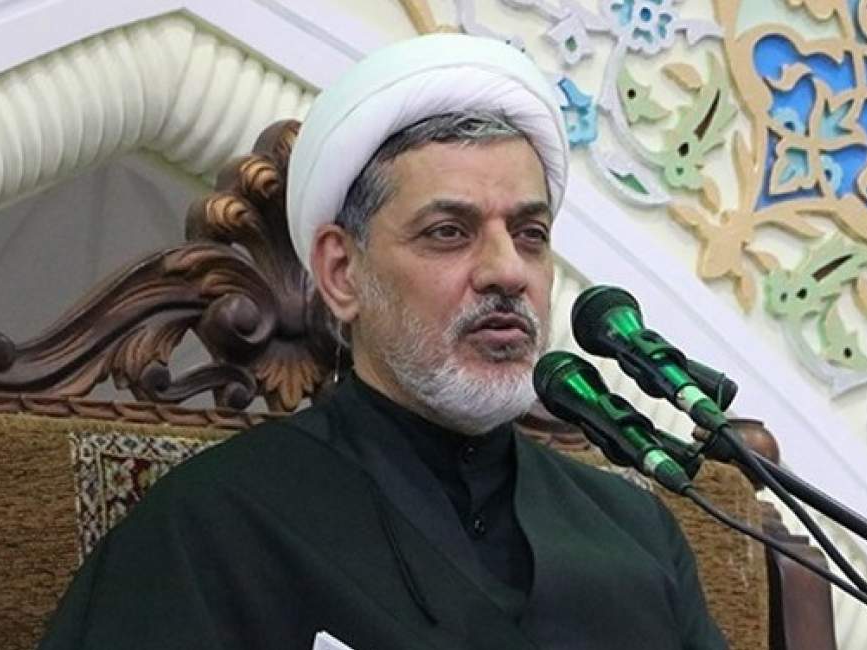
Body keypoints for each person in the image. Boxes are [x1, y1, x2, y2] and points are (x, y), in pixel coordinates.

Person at [38, 34, 727, 650]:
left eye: (530, 235)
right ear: (342, 273)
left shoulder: (633, 531)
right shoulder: (214, 526)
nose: (507, 271)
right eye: (449, 232)